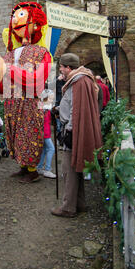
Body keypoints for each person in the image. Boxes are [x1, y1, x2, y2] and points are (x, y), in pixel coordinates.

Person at [0, 1, 52, 184]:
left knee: (29, 133)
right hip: (11, 103)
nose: (16, 20)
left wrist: (7, 69)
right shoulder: (9, 54)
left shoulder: (41, 53)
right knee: (14, 133)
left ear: (35, 23)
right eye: (14, 17)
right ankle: (23, 168)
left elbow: (36, 81)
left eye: (21, 15)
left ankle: (33, 171)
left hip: (30, 104)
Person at [51, 53, 102, 218]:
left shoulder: (78, 82)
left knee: (69, 170)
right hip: (75, 129)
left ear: (68, 67)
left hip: (73, 132)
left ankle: (68, 207)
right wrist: (58, 110)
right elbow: (74, 106)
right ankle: (79, 203)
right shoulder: (83, 80)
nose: (60, 70)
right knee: (77, 167)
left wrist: (71, 131)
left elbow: (75, 111)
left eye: (61, 67)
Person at [37, 90, 56, 179]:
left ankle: (39, 167)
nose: (52, 100)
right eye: (51, 98)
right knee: (51, 149)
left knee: (44, 150)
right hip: (45, 132)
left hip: (44, 132)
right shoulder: (44, 108)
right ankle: (47, 169)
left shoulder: (43, 107)